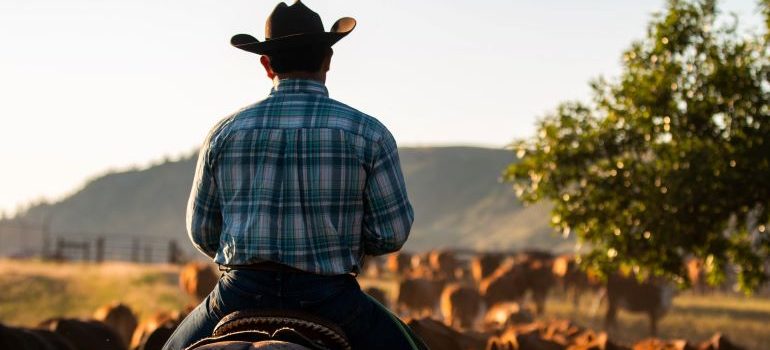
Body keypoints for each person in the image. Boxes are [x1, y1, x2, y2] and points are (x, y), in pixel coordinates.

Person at [162, 1, 416, 349]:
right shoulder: (368, 133)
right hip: (331, 297)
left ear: (266, 65)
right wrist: (346, 240)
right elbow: (391, 234)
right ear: (328, 59)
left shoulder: (224, 133)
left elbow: (203, 231)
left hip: (240, 292)